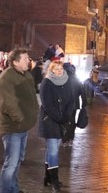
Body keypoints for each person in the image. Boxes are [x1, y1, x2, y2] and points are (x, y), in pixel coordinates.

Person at [0, 49, 39, 193]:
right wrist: (20, 119)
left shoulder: (26, 74)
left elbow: (31, 96)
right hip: (13, 127)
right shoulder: (7, 77)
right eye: (26, 58)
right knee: (11, 163)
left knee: (17, 161)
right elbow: (9, 103)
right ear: (15, 62)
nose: (29, 60)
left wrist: (33, 113)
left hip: (23, 127)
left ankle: (13, 189)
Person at [39, 60, 76, 191]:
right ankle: (54, 180)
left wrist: (67, 115)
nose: (59, 71)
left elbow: (72, 100)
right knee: (54, 150)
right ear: (51, 70)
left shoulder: (67, 82)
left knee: (51, 149)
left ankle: (47, 177)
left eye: (61, 69)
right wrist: (59, 117)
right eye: (56, 69)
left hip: (62, 120)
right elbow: (47, 104)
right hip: (49, 120)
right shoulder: (46, 83)